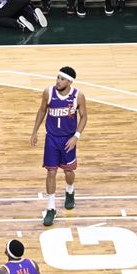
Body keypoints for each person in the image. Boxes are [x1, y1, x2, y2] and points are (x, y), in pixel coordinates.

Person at [30, 66, 87, 226]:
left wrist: (76, 136)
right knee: (51, 171)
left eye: (62, 79)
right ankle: (51, 208)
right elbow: (42, 111)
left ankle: (70, 191)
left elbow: (84, 117)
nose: (58, 81)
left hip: (68, 140)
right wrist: (34, 131)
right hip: (52, 139)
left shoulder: (78, 96)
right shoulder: (48, 93)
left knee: (69, 171)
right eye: (57, 78)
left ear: (69, 81)